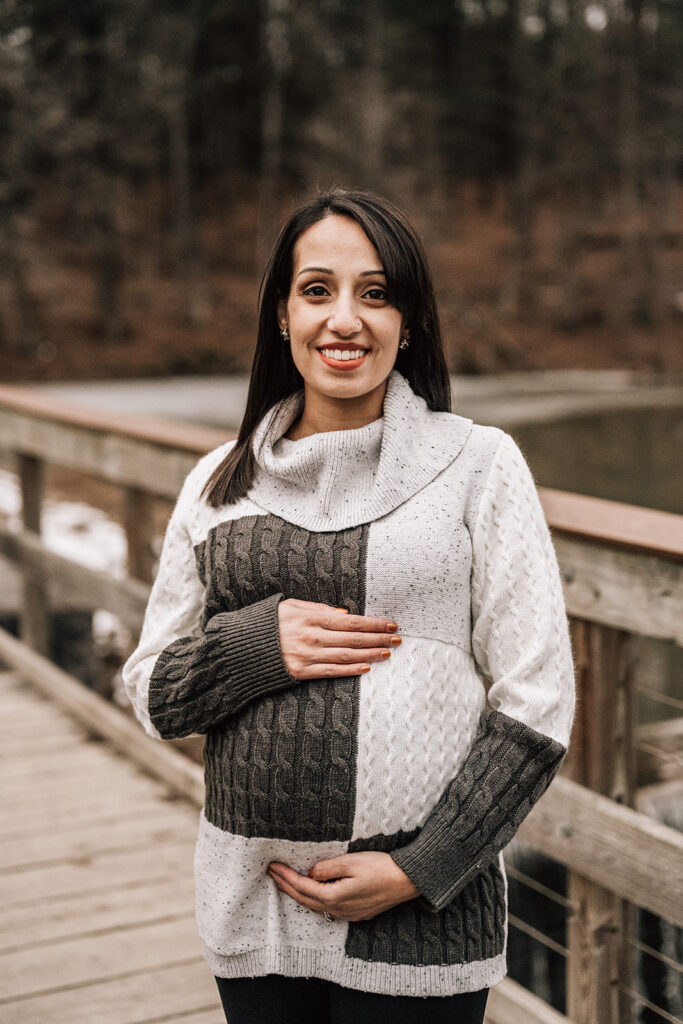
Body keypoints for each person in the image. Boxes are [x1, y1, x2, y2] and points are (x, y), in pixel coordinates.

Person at [121, 186, 576, 1024]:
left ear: (410, 321)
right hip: (251, 903)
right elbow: (152, 692)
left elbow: (537, 704)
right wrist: (256, 645)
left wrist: (421, 867)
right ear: (282, 317)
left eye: (375, 293)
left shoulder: (477, 464)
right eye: (317, 290)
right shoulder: (220, 482)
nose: (345, 319)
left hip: (422, 916)